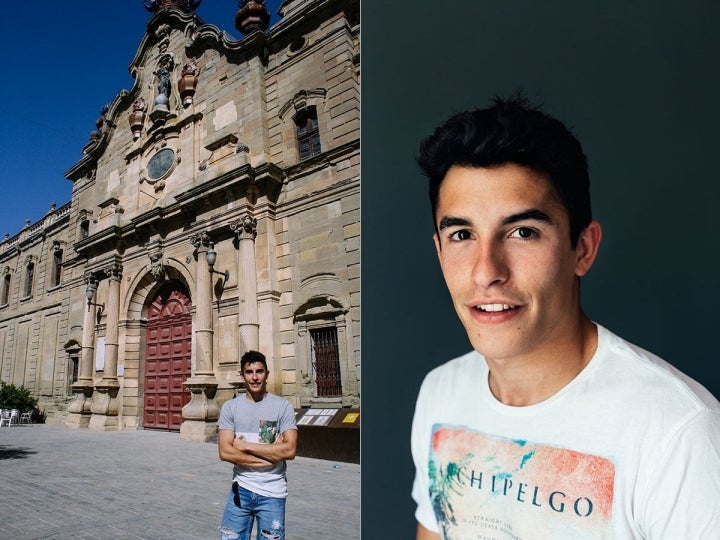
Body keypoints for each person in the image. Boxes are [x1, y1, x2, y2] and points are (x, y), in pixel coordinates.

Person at [410, 95, 720, 539]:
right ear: (439, 251)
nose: (486, 271)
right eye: (461, 234)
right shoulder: (440, 392)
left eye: (523, 232)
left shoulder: (681, 433)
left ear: (582, 248)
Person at [218, 350, 298, 540]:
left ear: (267, 374)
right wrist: (270, 456)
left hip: (273, 494)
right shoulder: (230, 407)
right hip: (240, 491)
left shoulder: (283, 406)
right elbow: (224, 451)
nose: (254, 377)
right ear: (242, 376)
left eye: (259, 371)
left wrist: (243, 446)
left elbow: (290, 450)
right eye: (249, 372)